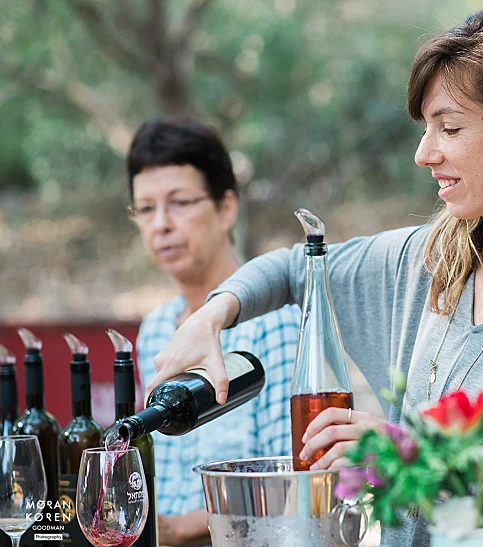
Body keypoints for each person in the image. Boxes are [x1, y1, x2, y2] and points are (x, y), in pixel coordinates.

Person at [147, 9, 483, 546]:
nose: (423, 153)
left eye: (449, 128)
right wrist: (214, 313)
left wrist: (417, 463)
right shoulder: (426, 263)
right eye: (426, 129)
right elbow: (298, 267)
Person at [126, 118, 301, 546]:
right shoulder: (155, 329)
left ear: (226, 209)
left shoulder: (276, 323)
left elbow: (294, 484)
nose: (160, 224)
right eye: (145, 209)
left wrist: (173, 529)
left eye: (179, 203)